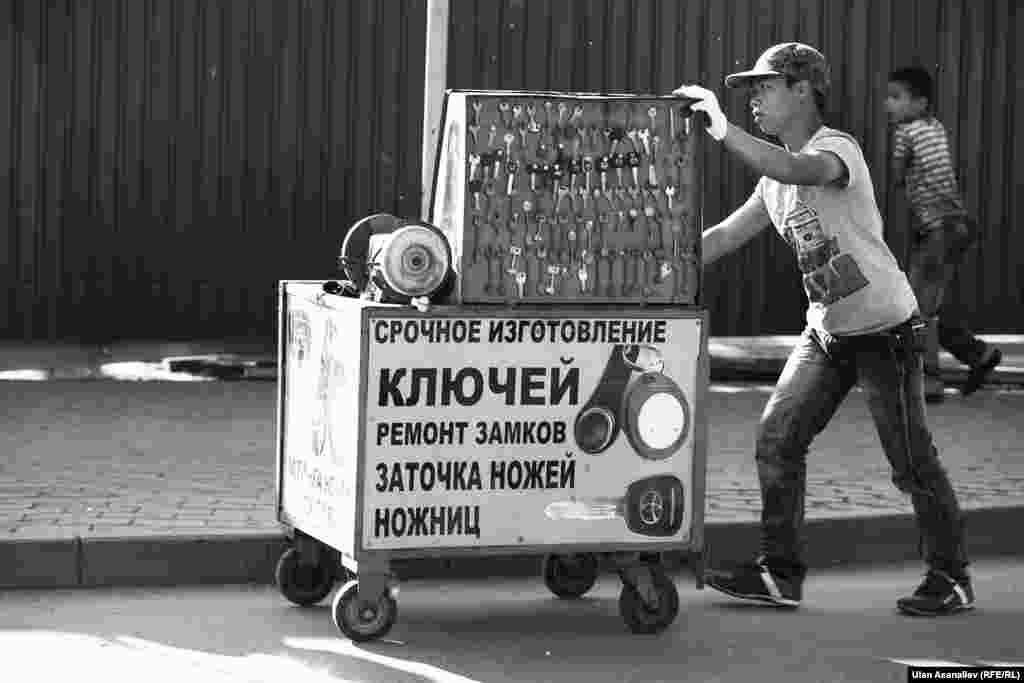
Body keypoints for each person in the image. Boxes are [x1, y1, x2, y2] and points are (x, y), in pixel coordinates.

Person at [673, 43, 972, 616]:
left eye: (765, 87)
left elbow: (795, 167)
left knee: (910, 462)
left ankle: (952, 577)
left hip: (887, 332)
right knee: (777, 441)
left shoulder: (836, 151)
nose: (755, 99)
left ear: (803, 89)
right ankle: (779, 574)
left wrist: (722, 129)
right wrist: (659, 264)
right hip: (827, 335)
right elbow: (723, 238)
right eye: (750, 92)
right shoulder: (773, 184)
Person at [886, 66, 1002, 403]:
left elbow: (897, 177)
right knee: (928, 304)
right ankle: (978, 356)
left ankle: (928, 383)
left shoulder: (905, 134)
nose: (888, 104)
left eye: (896, 98)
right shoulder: (936, 128)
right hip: (955, 226)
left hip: (938, 229)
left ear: (920, 104)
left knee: (916, 308)